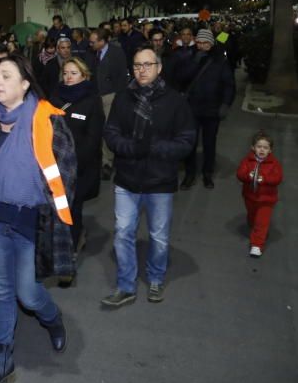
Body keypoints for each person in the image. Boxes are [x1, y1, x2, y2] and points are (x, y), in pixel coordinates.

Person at [0, 54, 77, 383]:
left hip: (32, 222)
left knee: (27, 293)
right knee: (1, 289)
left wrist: (44, 208)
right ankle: (2, 360)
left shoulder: (47, 119)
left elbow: (66, 174)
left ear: (25, 84)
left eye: (6, 76)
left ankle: (52, 316)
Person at [101, 46, 196, 307]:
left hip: (160, 182)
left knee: (159, 237)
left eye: (147, 65)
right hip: (127, 180)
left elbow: (187, 141)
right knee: (122, 233)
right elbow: (111, 134)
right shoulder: (123, 98)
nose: (141, 70)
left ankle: (155, 279)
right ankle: (125, 286)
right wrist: (132, 148)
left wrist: (154, 147)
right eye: (137, 65)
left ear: (159, 68)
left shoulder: (175, 101)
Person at [48, 56, 104, 262]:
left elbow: (93, 139)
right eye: (66, 73)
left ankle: (72, 242)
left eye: (74, 73)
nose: (68, 77)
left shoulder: (92, 101)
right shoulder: (55, 97)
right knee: (56, 206)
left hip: (80, 166)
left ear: (84, 75)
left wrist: (71, 161)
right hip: (54, 165)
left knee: (74, 206)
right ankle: (56, 241)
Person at [178, 30, 235, 190]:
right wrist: (194, 63)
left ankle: (207, 173)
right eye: (200, 43)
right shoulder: (189, 56)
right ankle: (190, 174)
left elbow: (229, 85)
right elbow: (181, 78)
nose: (203, 46)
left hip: (212, 109)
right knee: (191, 142)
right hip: (192, 109)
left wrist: (225, 104)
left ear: (211, 43)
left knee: (210, 143)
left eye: (206, 43)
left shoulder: (220, 61)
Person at [235, 131, 283, 257]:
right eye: (259, 146)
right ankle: (254, 226)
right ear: (253, 148)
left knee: (262, 221)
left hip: (267, 199)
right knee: (253, 216)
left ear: (270, 150)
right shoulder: (247, 161)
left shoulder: (274, 164)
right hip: (250, 196)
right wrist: (247, 175)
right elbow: (239, 174)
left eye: (265, 147)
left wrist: (265, 179)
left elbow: (278, 178)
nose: (262, 150)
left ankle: (257, 244)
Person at [88, 27, 128, 178]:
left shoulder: (117, 53)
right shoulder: (91, 53)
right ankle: (97, 160)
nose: (90, 44)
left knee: (107, 129)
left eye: (93, 42)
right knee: (95, 129)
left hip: (110, 96)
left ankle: (107, 162)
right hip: (94, 97)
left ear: (102, 41)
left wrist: (119, 97)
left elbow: (122, 77)